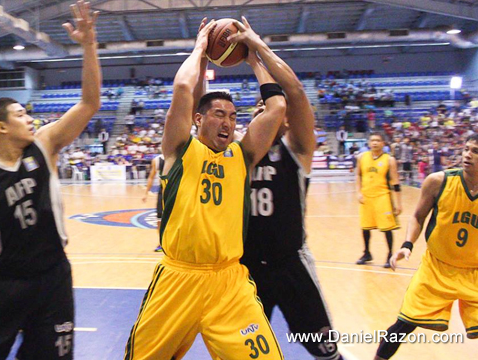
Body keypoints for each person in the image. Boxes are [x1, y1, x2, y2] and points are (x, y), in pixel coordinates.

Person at [0, 3, 100, 359]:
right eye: (20, 114)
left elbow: (90, 104)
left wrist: (89, 46)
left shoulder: (44, 145)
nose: (29, 119)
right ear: (0, 127)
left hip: (53, 276)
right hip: (5, 282)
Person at [124, 17, 287, 360]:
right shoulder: (180, 148)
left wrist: (254, 55)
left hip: (229, 281)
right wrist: (201, 47)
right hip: (178, 279)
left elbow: (277, 107)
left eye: (232, 115)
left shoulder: (242, 156)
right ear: (198, 119)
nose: (227, 121)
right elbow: (184, 89)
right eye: (217, 114)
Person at [240, 43, 344, 359]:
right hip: (245, 271)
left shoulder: (296, 151)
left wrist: (255, 53)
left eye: (272, 109)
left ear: (285, 120)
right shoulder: (237, 156)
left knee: (326, 352)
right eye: (259, 108)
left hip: (291, 266)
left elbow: (295, 92)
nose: (265, 112)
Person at [375, 134, 478, 360]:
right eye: (466, 149)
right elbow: (418, 216)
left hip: (474, 272)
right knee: (404, 324)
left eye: (475, 151)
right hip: (436, 268)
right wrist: (407, 244)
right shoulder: (439, 181)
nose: (467, 155)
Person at [356, 133, 402, 268]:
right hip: (366, 196)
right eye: (372, 140)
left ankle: (390, 255)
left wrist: (398, 203)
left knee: (387, 228)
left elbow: (395, 182)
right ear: (369, 143)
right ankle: (367, 253)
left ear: (383, 143)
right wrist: (358, 192)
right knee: (365, 227)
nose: (374, 143)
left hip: (383, 197)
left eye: (378, 140)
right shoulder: (361, 157)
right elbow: (358, 175)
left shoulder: (389, 160)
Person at [142, 154, 165, 252]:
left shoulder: (180, 156)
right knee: (159, 219)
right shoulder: (157, 160)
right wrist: (146, 193)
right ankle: (161, 243)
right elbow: (151, 177)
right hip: (163, 189)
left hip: (177, 190)